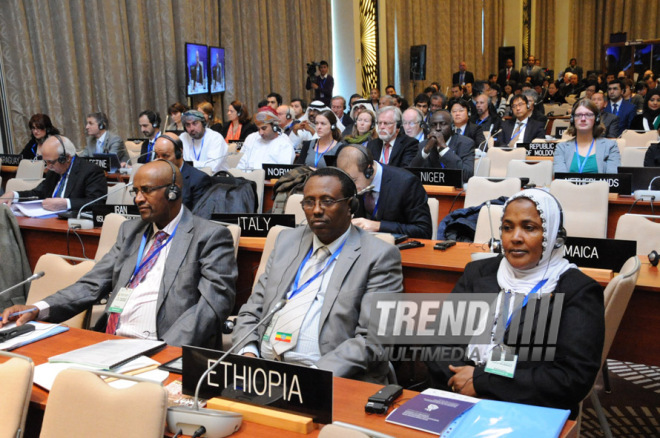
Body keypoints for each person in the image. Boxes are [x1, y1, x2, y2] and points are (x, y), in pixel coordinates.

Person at [1, 160, 237, 348]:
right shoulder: (130, 231)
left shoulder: (209, 236)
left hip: (165, 347)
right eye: (135, 191)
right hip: (113, 343)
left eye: (146, 191)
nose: (138, 199)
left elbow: (211, 305)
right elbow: (92, 284)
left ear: (173, 192)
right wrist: (37, 308)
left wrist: (163, 350)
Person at [426, 189, 604, 419]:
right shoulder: (478, 273)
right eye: (507, 227)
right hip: (458, 396)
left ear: (553, 236)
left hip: (531, 409)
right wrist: (462, 382)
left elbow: (570, 379)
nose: (515, 237)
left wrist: (482, 381)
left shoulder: (576, 290)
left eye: (529, 228)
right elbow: (438, 342)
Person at [233, 167, 403, 382]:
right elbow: (252, 312)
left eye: (327, 201)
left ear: (351, 206)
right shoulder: (286, 241)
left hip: (328, 377)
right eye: (309, 202)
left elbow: (372, 340)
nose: (316, 210)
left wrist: (314, 376)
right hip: (263, 371)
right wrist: (249, 353)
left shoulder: (379, 256)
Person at [336, 144, 432, 239]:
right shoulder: (351, 183)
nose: (350, 187)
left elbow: (423, 230)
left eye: (353, 180)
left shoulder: (406, 183)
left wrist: (378, 226)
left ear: (368, 170)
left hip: (398, 249)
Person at [1, 135, 107, 212]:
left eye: (51, 162)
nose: (48, 166)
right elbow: (38, 193)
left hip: (72, 226)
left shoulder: (91, 171)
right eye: (45, 162)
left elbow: (97, 203)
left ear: (67, 158)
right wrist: (14, 195)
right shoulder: (54, 171)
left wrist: (66, 203)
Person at [554, 100, 621, 174]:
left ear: (596, 119)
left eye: (588, 115)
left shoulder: (610, 146)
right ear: (573, 120)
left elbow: (613, 179)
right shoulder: (561, 148)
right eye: (579, 115)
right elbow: (560, 179)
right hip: (569, 185)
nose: (583, 119)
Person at [409, 110, 475, 182]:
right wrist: (425, 151)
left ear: (452, 126)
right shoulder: (424, 145)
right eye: (434, 125)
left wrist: (444, 148)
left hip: (454, 190)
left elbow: (467, 175)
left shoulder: (465, 143)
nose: (438, 128)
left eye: (443, 124)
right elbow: (410, 174)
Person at [152, 133, 212, 211]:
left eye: (165, 156)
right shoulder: (153, 177)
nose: (160, 160)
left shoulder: (199, 180)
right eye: (157, 155)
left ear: (179, 153)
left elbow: (199, 215)